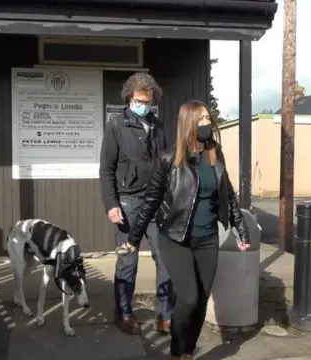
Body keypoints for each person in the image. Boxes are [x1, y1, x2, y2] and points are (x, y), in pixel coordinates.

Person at [121, 100, 251, 360]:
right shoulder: (169, 159)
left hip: (208, 239)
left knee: (202, 300)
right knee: (189, 298)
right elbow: (151, 202)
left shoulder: (215, 154)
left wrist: (241, 230)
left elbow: (229, 194)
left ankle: (188, 352)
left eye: (208, 119)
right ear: (188, 124)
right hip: (176, 239)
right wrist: (134, 239)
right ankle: (176, 352)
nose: (206, 124)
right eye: (200, 120)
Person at [99, 72, 175, 335]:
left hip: (156, 203)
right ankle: (123, 313)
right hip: (128, 203)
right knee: (128, 261)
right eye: (141, 100)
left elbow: (168, 165)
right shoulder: (116, 126)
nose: (145, 104)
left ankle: (165, 316)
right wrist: (111, 204)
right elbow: (106, 169)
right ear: (130, 96)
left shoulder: (159, 126)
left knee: (165, 259)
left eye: (149, 100)